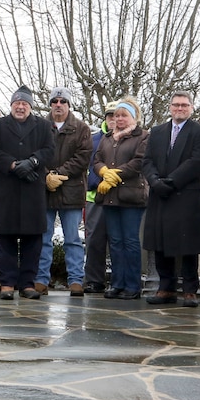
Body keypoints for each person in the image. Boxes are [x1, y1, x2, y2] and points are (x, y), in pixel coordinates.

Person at [141, 91, 200, 306]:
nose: (179, 109)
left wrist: (171, 181)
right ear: (170, 107)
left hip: (185, 194)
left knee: (187, 244)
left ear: (191, 107)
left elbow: (198, 161)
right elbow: (147, 160)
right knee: (161, 243)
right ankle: (166, 288)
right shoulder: (158, 131)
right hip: (160, 195)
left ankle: (190, 290)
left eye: (184, 105)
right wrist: (154, 181)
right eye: (175, 105)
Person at [0, 85, 54, 300]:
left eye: (25, 103)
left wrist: (32, 161)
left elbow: (49, 150)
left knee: (33, 240)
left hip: (33, 190)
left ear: (31, 106)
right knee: (5, 238)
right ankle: (7, 283)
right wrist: (15, 166)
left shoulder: (44, 126)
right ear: (11, 105)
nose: (21, 106)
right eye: (17, 103)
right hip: (7, 189)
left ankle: (27, 283)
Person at [35, 87, 92, 296]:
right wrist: (45, 176)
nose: (58, 105)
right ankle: (41, 279)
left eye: (63, 101)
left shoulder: (82, 128)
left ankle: (76, 280)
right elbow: (33, 154)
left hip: (72, 192)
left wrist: (58, 174)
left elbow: (82, 158)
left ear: (69, 105)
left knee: (73, 240)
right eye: (55, 101)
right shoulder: (39, 127)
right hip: (44, 192)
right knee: (43, 238)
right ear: (50, 104)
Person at [93, 97, 149, 299]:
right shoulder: (107, 138)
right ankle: (117, 283)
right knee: (115, 241)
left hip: (131, 196)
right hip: (110, 197)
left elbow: (139, 162)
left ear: (133, 117)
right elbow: (97, 160)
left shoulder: (142, 137)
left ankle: (132, 285)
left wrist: (115, 174)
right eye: (116, 115)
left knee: (130, 241)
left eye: (123, 115)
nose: (119, 119)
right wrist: (104, 172)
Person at [83, 104, 118, 293]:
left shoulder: (128, 138)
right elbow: (87, 166)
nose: (113, 119)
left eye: (117, 115)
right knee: (94, 241)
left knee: (118, 241)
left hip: (120, 197)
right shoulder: (93, 139)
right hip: (94, 197)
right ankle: (94, 280)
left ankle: (118, 280)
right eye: (110, 116)